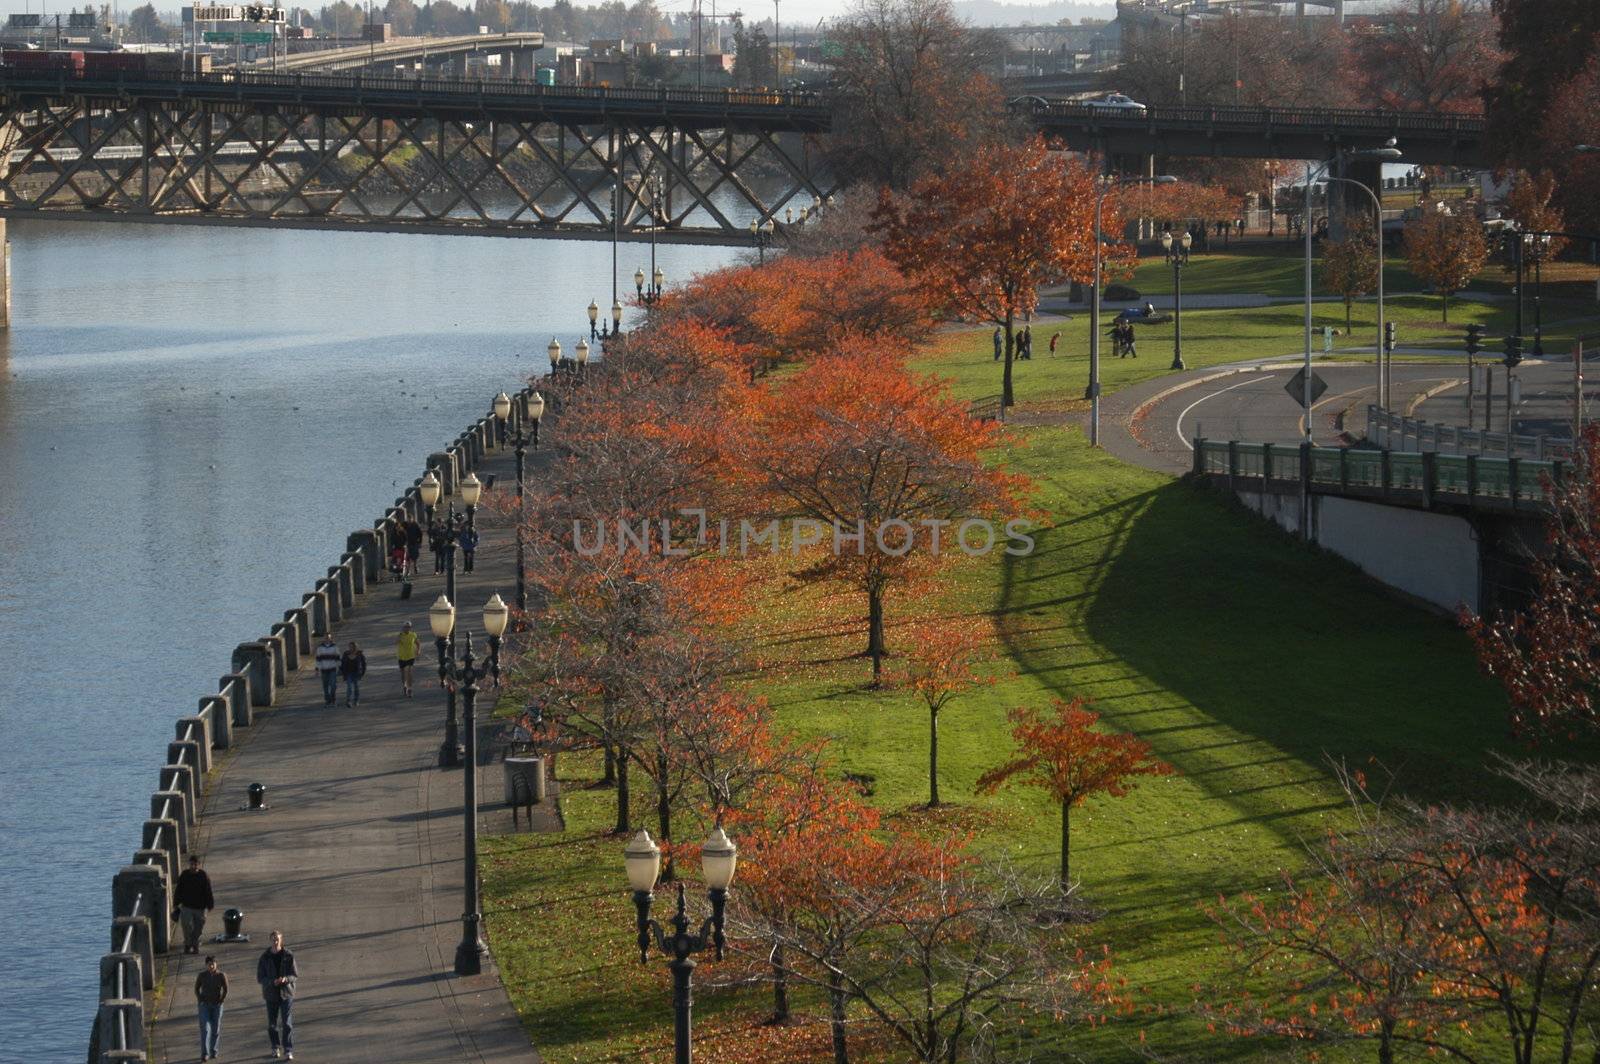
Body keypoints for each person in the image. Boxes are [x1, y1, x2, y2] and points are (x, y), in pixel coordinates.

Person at [257, 930, 298, 1060]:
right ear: (270, 941)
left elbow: (294, 975)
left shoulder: (288, 955)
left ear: (281, 940)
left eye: (277, 940)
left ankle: (288, 1049)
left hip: (286, 993)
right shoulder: (265, 957)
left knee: (287, 1024)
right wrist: (271, 982)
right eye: (273, 940)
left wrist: (285, 979)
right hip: (271, 995)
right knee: (272, 1024)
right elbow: (260, 978)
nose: (275, 942)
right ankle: (275, 1047)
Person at [174, 855, 215, 954]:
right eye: (191, 864)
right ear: (189, 864)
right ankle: (188, 944)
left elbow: (208, 891)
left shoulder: (203, 876)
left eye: (195, 864)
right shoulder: (184, 875)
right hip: (187, 906)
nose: (193, 866)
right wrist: (176, 903)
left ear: (199, 865)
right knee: (186, 926)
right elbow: (178, 890)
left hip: (200, 907)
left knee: (198, 928)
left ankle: (195, 944)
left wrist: (210, 905)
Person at [195, 954, 228, 1061]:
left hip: (216, 1006)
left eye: (213, 964)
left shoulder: (221, 975)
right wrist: (200, 1000)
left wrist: (221, 1000)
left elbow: (226, 989)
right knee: (205, 1029)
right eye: (209, 965)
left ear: (216, 964)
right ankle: (205, 1053)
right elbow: (196, 989)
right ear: (206, 965)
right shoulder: (202, 975)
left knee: (215, 1029)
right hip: (204, 1006)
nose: (211, 966)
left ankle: (214, 1050)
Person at [314, 636, 340, 706]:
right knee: (325, 686)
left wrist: (340, 668)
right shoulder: (320, 648)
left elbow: (338, 658)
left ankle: (333, 699)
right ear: (324, 639)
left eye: (328, 638)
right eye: (326, 638)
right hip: (324, 669)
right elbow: (318, 659)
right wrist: (317, 669)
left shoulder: (335, 647)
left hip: (332, 669)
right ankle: (327, 700)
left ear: (331, 638)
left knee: (333, 685)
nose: (327, 639)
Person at [340, 641, 367, 707]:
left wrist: (362, 672)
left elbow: (364, 664)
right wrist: (343, 673)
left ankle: (356, 700)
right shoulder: (346, 654)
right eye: (349, 646)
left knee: (356, 687)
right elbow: (342, 663)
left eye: (352, 647)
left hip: (356, 673)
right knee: (349, 687)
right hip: (348, 673)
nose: (350, 648)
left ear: (355, 647)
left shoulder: (359, 654)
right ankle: (348, 701)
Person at [396, 621, 419, 698]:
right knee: (403, 674)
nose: (407, 628)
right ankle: (405, 686)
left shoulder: (413, 635)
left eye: (408, 627)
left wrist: (418, 651)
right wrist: (398, 638)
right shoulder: (400, 635)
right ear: (403, 628)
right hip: (402, 657)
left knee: (409, 672)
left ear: (410, 628)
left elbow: (417, 643)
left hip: (410, 656)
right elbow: (396, 642)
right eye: (405, 627)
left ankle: (409, 689)